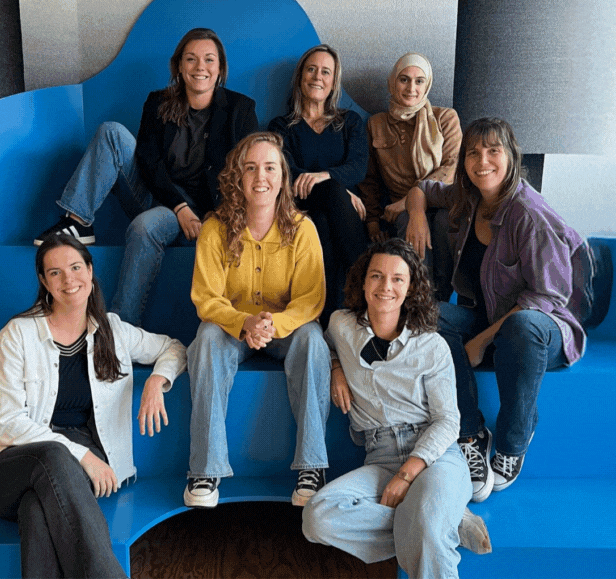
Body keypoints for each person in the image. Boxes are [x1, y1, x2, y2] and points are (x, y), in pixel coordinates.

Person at [0, 235, 186, 579]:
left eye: (76, 267)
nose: (69, 280)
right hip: (3, 466)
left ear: (90, 272)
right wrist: (83, 456)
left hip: (62, 475)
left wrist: (156, 382)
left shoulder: (112, 330)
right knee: (53, 455)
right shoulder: (16, 335)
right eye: (56, 273)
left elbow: (174, 348)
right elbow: (6, 422)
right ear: (44, 282)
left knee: (37, 509)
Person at [403, 117, 589, 500]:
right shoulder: (471, 199)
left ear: (511, 156)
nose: (482, 160)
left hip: (543, 330)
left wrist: (482, 341)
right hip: (492, 319)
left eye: (493, 150)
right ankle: (469, 432)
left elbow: (546, 297)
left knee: (521, 326)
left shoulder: (530, 216)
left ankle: (512, 442)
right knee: (427, 315)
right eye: (473, 152)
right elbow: (422, 189)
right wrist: (417, 215)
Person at [34, 27, 258, 327]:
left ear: (220, 68)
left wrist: (217, 219)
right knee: (111, 132)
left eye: (208, 59)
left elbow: (247, 171)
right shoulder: (158, 102)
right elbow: (148, 163)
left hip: (208, 214)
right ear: (179, 66)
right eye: (191, 59)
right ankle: (77, 221)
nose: (200, 67)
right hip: (159, 198)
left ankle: (123, 326)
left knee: (144, 227)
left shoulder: (239, 109)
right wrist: (180, 207)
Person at [302, 238, 491, 579]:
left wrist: (408, 475)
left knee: (428, 528)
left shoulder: (431, 345)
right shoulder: (341, 325)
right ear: (363, 281)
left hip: (434, 456)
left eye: (397, 279)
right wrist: (335, 368)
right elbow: (323, 340)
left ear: (410, 288)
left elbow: (448, 421)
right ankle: (445, 520)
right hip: (381, 456)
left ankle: (433, 520)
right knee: (318, 517)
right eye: (376, 276)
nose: (385, 287)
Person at [185, 132, 331, 509]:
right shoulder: (216, 228)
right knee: (205, 340)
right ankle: (205, 468)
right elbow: (206, 297)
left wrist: (272, 326)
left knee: (314, 340)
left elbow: (311, 299)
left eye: (269, 168)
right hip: (232, 329)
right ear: (238, 177)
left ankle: (312, 466)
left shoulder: (302, 230)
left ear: (283, 177)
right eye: (250, 168)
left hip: (285, 329)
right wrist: (244, 323)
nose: (260, 177)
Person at [267, 44, 369, 323]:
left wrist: (328, 180)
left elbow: (358, 167)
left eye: (326, 71)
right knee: (326, 204)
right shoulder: (280, 126)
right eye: (311, 69)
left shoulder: (350, 122)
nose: (317, 76)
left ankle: (326, 323)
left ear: (334, 81)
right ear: (300, 77)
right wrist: (339, 188)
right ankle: (365, 283)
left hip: (338, 211)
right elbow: (286, 170)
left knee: (323, 223)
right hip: (299, 204)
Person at [356, 52, 461, 299]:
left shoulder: (445, 118)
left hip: (442, 202)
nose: (411, 87)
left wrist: (411, 202)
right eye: (404, 79)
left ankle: (440, 307)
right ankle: (418, 303)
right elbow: (369, 179)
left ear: (428, 84)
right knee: (407, 225)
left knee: (445, 222)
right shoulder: (376, 124)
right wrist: (372, 220)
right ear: (393, 82)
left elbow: (452, 167)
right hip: (400, 210)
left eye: (419, 81)